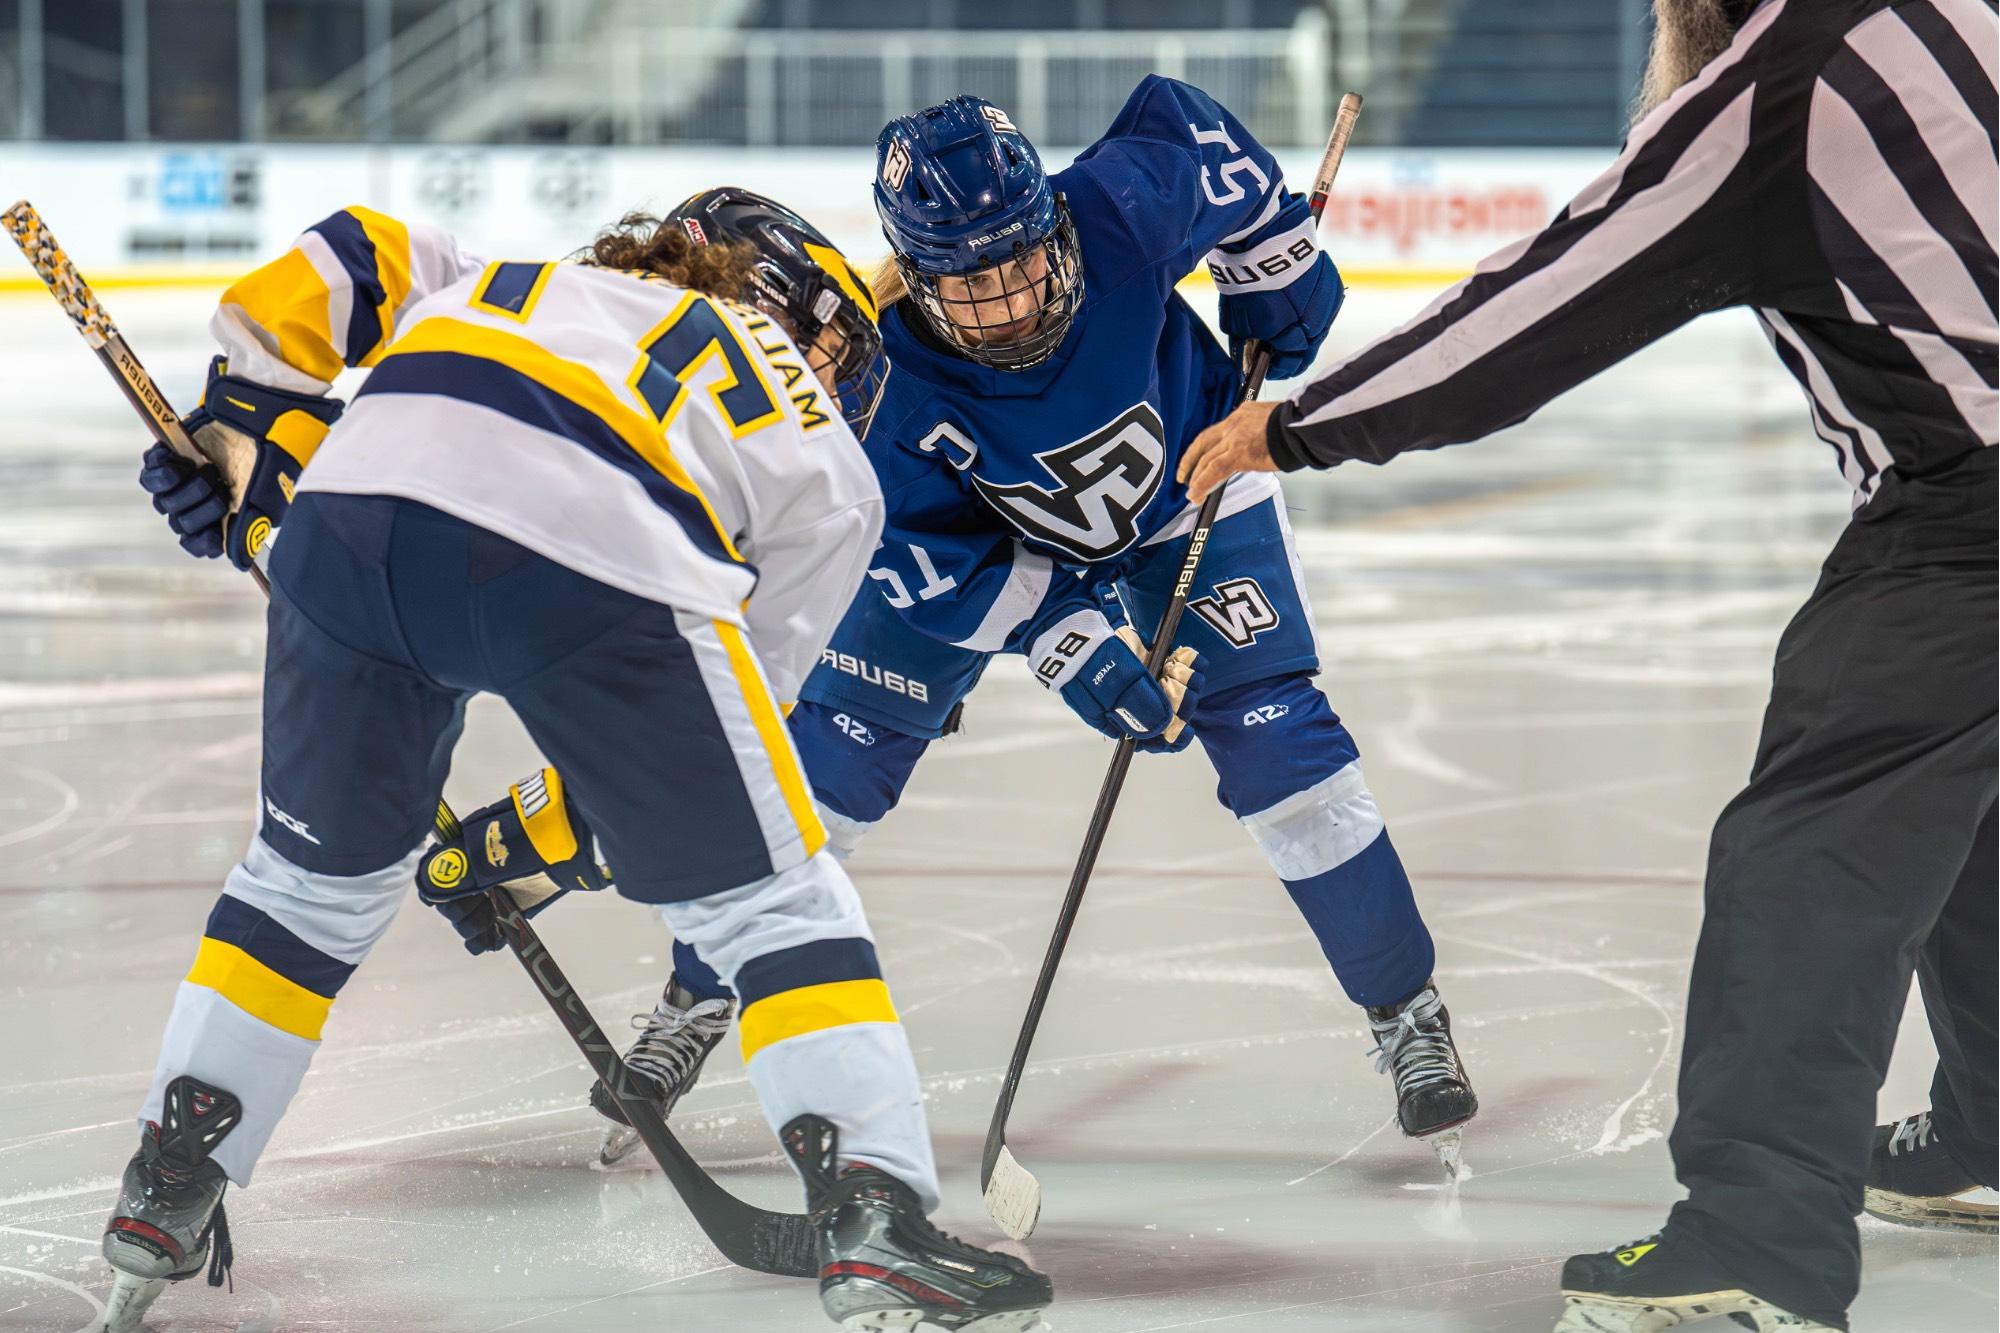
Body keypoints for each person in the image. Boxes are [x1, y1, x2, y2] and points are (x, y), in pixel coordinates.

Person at [1178, 1, 1997, 1329]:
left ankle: (1758, 1241)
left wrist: (1299, 426)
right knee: (1966, 806)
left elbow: (1534, 316)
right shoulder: (1949, 14)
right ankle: (1991, 1135)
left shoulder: (1770, 95)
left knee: (1812, 848)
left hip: (1974, 517)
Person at [114, 192, 1052, 1333]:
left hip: (346, 531)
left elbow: (354, 249)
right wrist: (548, 837)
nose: (835, 370)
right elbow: (724, 743)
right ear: (764, 294)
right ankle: (876, 1218)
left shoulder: (499, 281)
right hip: (594, 544)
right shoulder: (819, 448)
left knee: (304, 886)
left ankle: (169, 1179)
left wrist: (254, 429)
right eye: (829, 338)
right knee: (771, 897)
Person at [505, 80, 1480, 1174]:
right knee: (827, 767)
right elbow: (931, 558)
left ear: (1050, 224)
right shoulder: (880, 381)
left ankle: (1403, 1010)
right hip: (981, 542)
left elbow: (1200, 135)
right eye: (966, 282)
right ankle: (698, 992)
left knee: (1276, 736)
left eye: (1017, 260)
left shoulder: (1116, 206)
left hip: (1188, 485)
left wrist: (1277, 273)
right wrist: (1071, 641)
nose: (1006, 299)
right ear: (914, 274)